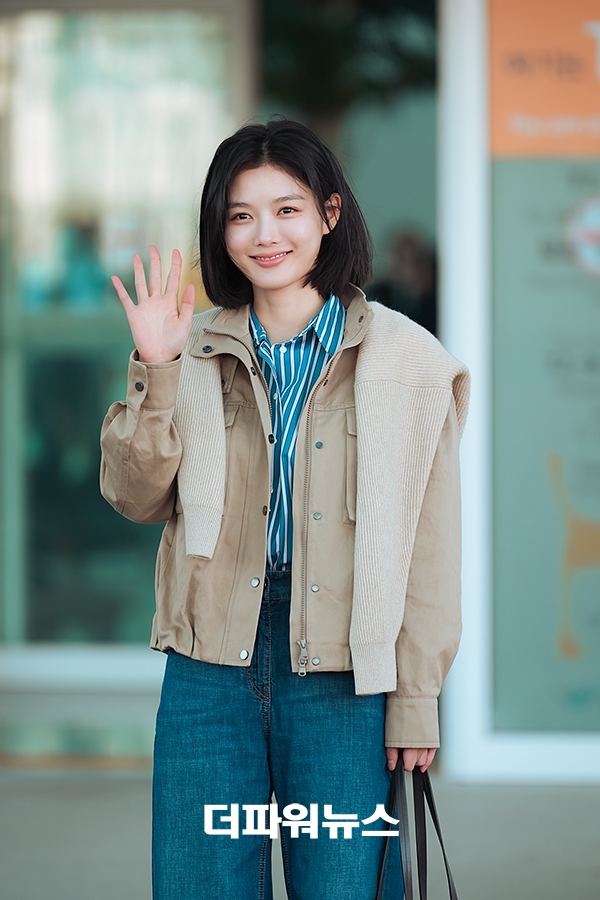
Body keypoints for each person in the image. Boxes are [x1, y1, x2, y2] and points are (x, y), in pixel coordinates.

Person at [100, 119, 469, 900]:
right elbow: (135, 498)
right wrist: (157, 369)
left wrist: (415, 700)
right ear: (220, 229)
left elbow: (428, 547)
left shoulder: (408, 361)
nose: (264, 234)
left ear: (330, 214)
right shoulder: (187, 347)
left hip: (344, 679)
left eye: (288, 209)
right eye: (240, 215)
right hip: (209, 675)